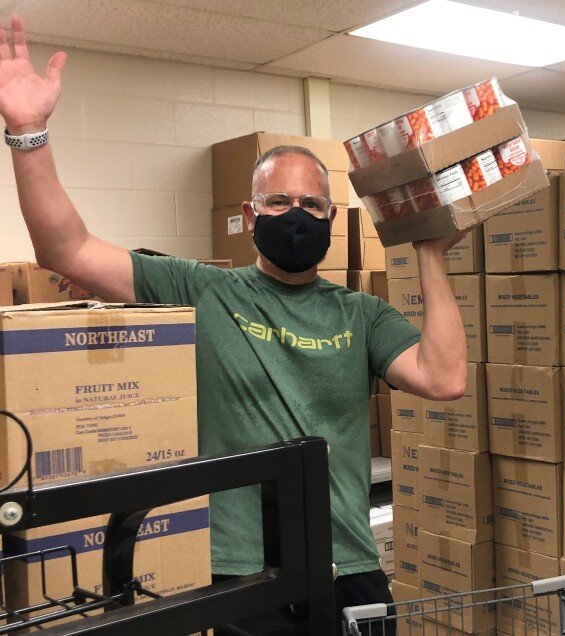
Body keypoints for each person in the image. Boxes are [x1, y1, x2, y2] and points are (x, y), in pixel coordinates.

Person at [0, 15, 468, 635]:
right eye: (279, 203)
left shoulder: (362, 314)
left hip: (347, 562)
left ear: (331, 218)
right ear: (251, 215)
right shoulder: (202, 289)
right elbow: (68, 249)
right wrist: (28, 131)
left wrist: (429, 254)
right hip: (241, 574)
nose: (296, 216)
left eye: (312, 205)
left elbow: (444, 378)